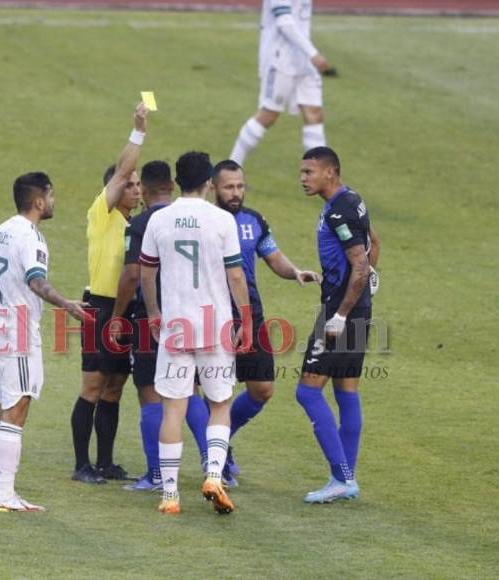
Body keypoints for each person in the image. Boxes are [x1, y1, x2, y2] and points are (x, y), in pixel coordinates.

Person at [139, 151, 253, 515]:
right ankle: (214, 476)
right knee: (219, 403)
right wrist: (246, 319)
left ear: (177, 181)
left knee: (173, 407)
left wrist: (155, 312)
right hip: (215, 325)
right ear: (208, 183)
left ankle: (170, 495)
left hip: (175, 327)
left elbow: (146, 273)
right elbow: (236, 274)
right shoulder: (221, 220)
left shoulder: (160, 219)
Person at [0, 172, 88, 512]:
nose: (53, 202)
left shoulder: (1, 230)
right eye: (51, 196)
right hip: (16, 327)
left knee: (0, 407)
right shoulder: (31, 237)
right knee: (18, 405)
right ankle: (4, 494)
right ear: (39, 200)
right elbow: (36, 281)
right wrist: (67, 304)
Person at [212, 159, 321, 486]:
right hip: (214, 315)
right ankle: (215, 457)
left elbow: (273, 256)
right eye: (229, 187)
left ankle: (222, 440)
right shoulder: (207, 221)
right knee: (218, 391)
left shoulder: (253, 221)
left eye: (240, 186)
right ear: (214, 187)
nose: (236, 193)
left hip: (250, 314)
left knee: (262, 389)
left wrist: (295, 271)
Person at [110, 161, 212, 492]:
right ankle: (219, 466)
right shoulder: (197, 220)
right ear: (171, 185)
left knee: (150, 393)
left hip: (152, 318)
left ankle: (156, 475)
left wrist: (116, 315)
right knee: (191, 391)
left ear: (145, 190)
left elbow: (132, 274)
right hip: (195, 316)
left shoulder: (143, 223)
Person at [295, 146, 380, 504]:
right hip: (359, 308)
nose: (303, 179)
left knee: (307, 391)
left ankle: (343, 478)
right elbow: (374, 242)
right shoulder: (352, 199)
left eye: (309, 172)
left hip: (342, 312)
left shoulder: (339, 210)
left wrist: (341, 314)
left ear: (330, 173)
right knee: (346, 392)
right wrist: (369, 284)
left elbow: (359, 264)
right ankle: (343, 477)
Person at [70, 103, 149, 484]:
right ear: (113, 190)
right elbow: (120, 170)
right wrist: (138, 132)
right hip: (100, 308)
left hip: (127, 310)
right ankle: (81, 465)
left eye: (138, 185)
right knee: (93, 385)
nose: (135, 189)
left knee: (116, 387)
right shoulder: (102, 215)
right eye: (129, 184)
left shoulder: (136, 226)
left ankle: (105, 462)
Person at [229, 0, 331, 166]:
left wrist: (309, 55)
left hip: (304, 61)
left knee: (314, 114)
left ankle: (323, 177)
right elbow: (284, 22)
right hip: (281, 59)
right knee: (268, 115)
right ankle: (230, 169)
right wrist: (313, 54)